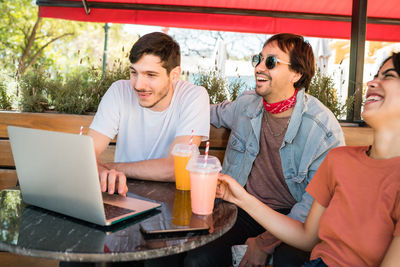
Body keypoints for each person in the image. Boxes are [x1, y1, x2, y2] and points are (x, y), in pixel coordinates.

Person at [146, 33, 344, 267]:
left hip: (290, 218)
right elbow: (206, 112)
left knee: (289, 260)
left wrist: (264, 243)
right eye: (258, 59)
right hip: (240, 209)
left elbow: (309, 215)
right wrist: (162, 95)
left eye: (271, 62)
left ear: (297, 74)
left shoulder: (322, 131)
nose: (259, 67)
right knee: (197, 258)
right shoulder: (246, 104)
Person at [216, 52, 400, 266]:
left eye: (388, 76)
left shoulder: (322, 129)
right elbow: (306, 237)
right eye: (375, 75)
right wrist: (241, 198)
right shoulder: (340, 160)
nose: (371, 82)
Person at [87, 32, 210, 196]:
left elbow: (175, 168)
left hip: (172, 199)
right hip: (122, 193)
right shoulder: (119, 91)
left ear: (174, 75)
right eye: (134, 72)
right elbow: (86, 153)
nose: (138, 85)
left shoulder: (193, 96)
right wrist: (100, 169)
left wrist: (110, 167)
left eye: (150, 75)